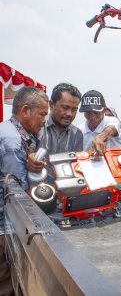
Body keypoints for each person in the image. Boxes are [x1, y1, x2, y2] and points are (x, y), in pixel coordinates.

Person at [0, 86, 49, 295]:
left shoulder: (16, 133)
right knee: (8, 284)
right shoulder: (12, 142)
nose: (45, 120)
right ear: (25, 110)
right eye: (42, 114)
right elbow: (16, 196)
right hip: (5, 227)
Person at [37, 82, 83, 156]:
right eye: (65, 108)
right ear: (51, 105)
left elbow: (76, 165)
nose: (69, 114)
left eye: (74, 110)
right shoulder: (37, 126)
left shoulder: (77, 135)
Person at [78, 90, 121, 155]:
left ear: (104, 110)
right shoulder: (79, 131)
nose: (92, 117)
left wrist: (99, 138)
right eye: (88, 112)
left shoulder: (113, 121)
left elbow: (111, 130)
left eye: (96, 113)